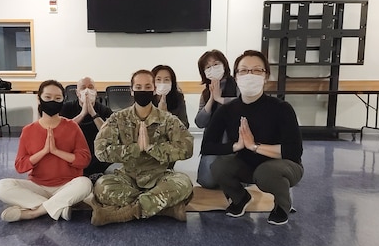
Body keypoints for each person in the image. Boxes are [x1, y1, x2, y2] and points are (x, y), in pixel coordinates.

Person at [201, 50, 303, 225]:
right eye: (244, 70)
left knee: (266, 173)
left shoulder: (281, 108)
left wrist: (254, 146)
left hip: (284, 165)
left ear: (266, 76)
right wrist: (237, 146)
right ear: (236, 76)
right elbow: (207, 146)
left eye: (257, 70)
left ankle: (282, 205)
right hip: (247, 164)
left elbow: (293, 151)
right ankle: (240, 198)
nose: (250, 75)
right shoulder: (227, 110)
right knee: (218, 166)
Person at [90, 69, 194, 226]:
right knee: (101, 186)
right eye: (138, 87)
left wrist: (152, 148)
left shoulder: (167, 119)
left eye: (147, 87)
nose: (143, 91)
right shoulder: (118, 118)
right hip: (128, 177)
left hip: (160, 177)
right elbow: (100, 150)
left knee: (184, 183)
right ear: (132, 91)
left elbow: (187, 147)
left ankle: (126, 213)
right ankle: (165, 208)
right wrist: (135, 149)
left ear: (154, 89)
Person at [0, 80, 92, 223]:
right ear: (39, 98)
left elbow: (84, 160)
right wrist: (44, 152)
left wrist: (56, 151)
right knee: (1, 187)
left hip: (67, 185)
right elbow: (20, 166)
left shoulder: (72, 127)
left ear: (63, 100)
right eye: (47, 97)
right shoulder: (28, 130)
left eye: (58, 98)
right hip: (37, 186)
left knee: (85, 183)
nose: (53, 101)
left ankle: (34, 212)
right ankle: (60, 207)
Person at [194, 49, 239, 189]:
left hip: (236, 144)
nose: (212, 68)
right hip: (214, 144)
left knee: (235, 179)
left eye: (216, 64)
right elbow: (200, 122)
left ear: (224, 65)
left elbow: (243, 106)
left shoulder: (237, 85)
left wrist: (221, 99)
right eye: (208, 67)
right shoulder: (206, 93)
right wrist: (212, 99)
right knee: (207, 181)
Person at [60, 77, 113, 180]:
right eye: (83, 88)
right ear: (77, 92)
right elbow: (62, 131)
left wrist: (93, 114)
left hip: (96, 151)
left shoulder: (104, 110)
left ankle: (92, 174)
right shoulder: (66, 107)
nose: (87, 91)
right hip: (75, 150)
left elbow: (109, 133)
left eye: (90, 87)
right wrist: (83, 114)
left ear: (95, 92)